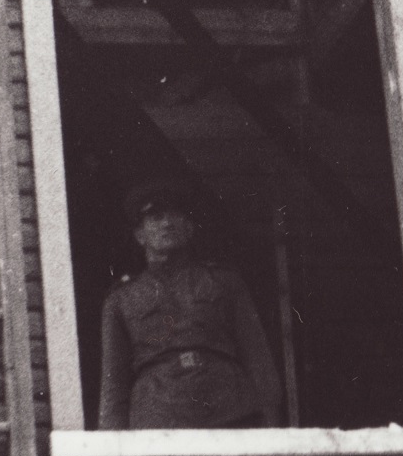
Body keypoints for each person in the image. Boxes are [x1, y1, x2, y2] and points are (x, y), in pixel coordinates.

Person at [97, 180, 284, 431]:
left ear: (190, 228)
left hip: (228, 412)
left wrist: (271, 427)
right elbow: (114, 382)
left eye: (175, 215)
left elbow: (258, 360)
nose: (167, 223)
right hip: (158, 417)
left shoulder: (224, 282)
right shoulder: (120, 299)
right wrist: (111, 447)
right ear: (139, 235)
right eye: (156, 217)